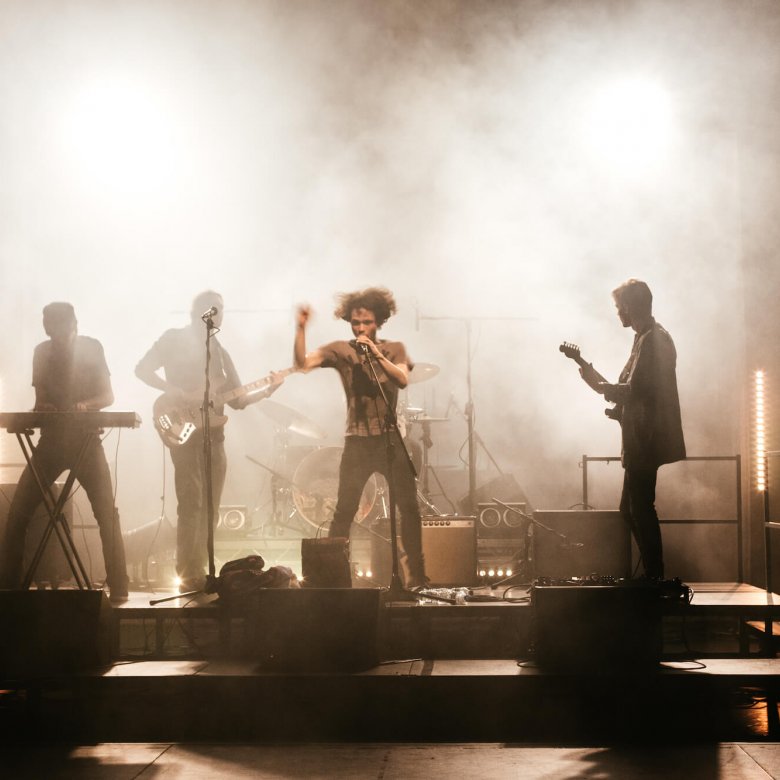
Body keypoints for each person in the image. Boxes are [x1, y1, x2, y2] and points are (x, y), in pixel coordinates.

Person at [136, 290, 283, 592]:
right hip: (185, 431)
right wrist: (171, 389)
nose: (221, 315)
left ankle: (200, 569)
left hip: (215, 437)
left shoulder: (220, 352)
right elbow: (142, 369)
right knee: (191, 503)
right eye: (216, 309)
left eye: (223, 309)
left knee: (210, 508)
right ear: (200, 312)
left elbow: (238, 399)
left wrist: (268, 389)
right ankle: (187, 573)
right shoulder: (173, 339)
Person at [293, 287, 428, 588]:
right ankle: (330, 578)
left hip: (390, 440)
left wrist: (375, 353)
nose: (360, 328)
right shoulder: (341, 349)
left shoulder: (395, 349)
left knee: (408, 507)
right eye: (355, 323)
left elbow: (402, 379)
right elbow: (303, 364)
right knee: (344, 509)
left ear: (378, 321)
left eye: (366, 322)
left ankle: (416, 576)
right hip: (357, 441)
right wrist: (301, 328)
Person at [0, 302, 130, 601]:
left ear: (74, 326)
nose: (57, 337)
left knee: (106, 515)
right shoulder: (41, 352)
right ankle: (8, 589)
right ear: (47, 329)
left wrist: (86, 406)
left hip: (86, 441)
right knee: (19, 513)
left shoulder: (92, 348)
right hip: (52, 442)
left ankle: (120, 588)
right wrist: (41, 407)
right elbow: (40, 399)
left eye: (63, 331)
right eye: (52, 331)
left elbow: (108, 396)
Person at [581, 278, 685, 579]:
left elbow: (636, 389)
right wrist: (590, 374)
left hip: (646, 440)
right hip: (641, 438)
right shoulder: (645, 337)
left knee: (639, 508)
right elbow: (632, 388)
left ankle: (655, 576)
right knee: (631, 510)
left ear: (630, 307)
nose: (617, 314)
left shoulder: (654, 339)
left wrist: (601, 384)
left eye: (618, 307)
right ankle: (653, 575)